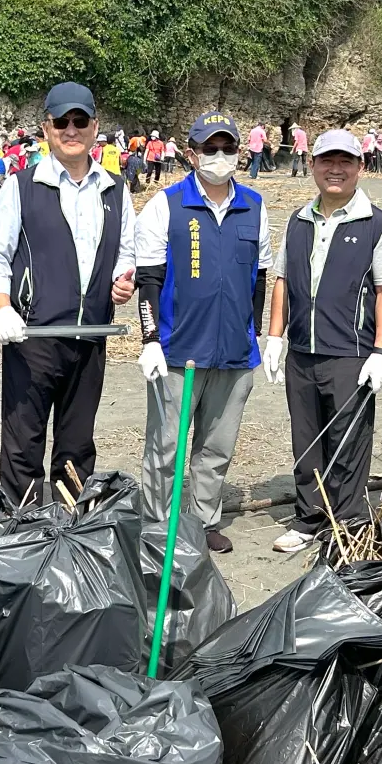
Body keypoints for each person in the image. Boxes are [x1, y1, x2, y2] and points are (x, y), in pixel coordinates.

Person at [0, 82, 137, 505]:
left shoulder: (116, 190)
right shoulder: (22, 186)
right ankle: (23, 533)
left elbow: (126, 253)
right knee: (22, 444)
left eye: (80, 120)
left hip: (91, 337)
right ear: (46, 128)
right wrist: (1, 308)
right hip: (33, 337)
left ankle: (70, 532)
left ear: (95, 128)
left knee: (76, 445)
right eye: (61, 121)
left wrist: (123, 281)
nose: (72, 129)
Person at [134, 112, 269, 553]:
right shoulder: (166, 204)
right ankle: (158, 525)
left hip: (233, 354)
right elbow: (149, 278)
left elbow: (260, 279)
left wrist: (256, 337)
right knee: (165, 449)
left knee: (216, 449)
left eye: (228, 147)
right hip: (178, 352)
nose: (219, 156)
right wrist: (149, 338)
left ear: (239, 153)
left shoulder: (255, 205)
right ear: (191, 154)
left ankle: (204, 519)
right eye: (210, 148)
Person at [262, 130, 382, 554]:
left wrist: (381, 351)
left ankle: (349, 525)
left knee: (348, 440)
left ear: (360, 167)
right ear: (314, 165)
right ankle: (308, 519)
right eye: (326, 161)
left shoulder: (378, 224)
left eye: (345, 162)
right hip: (302, 351)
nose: (335, 169)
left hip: (351, 353)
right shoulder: (299, 221)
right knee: (307, 437)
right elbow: (282, 279)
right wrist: (275, 336)